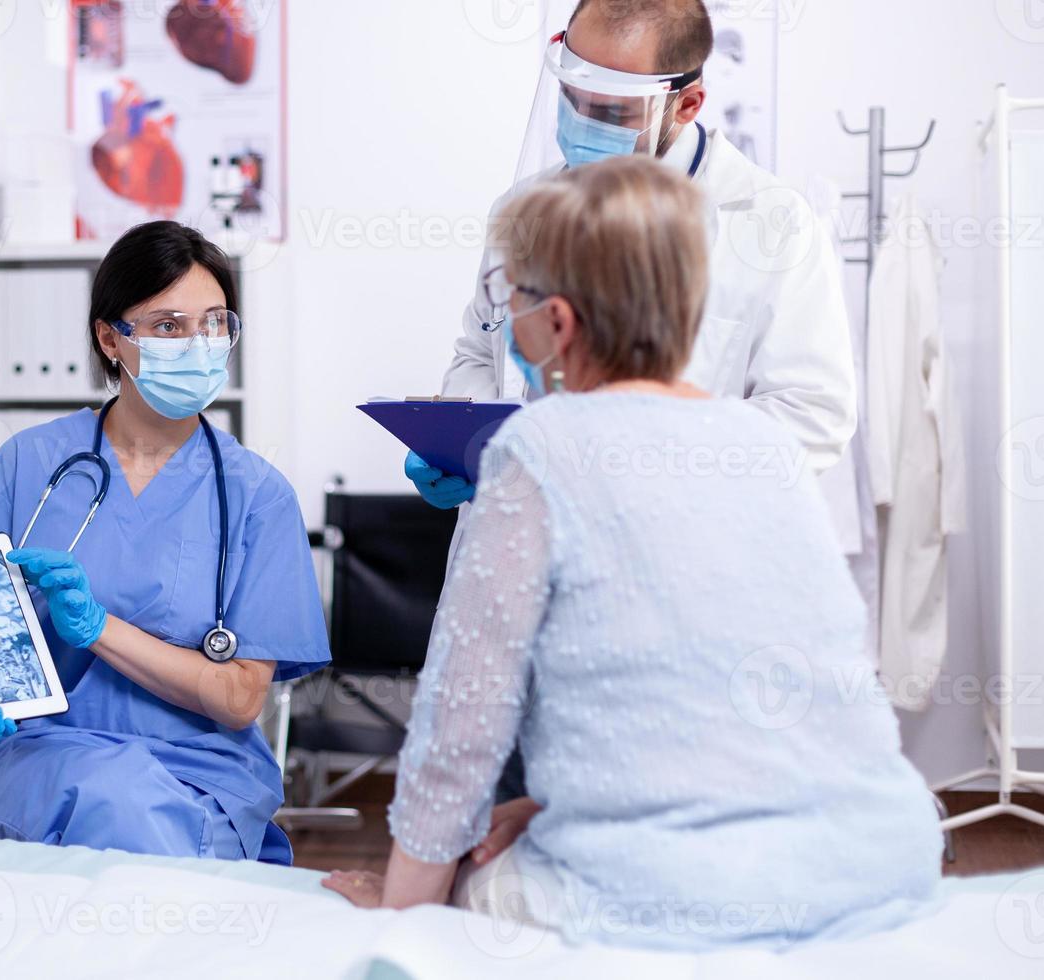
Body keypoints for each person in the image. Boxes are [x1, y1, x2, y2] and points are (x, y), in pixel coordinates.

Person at [324, 157, 941, 948]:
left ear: (559, 324)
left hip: (678, 898)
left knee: (481, 886)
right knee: (518, 834)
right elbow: (728, 708)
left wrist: (406, 914)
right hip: (876, 863)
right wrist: (553, 808)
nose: (501, 316)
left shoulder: (536, 451)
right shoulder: (766, 447)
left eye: (509, 296)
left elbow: (459, 735)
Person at [0, 220, 330, 864]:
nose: (198, 343)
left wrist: (98, 628)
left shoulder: (256, 494)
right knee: (120, 804)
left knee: (133, 811)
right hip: (39, 752)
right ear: (111, 339)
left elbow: (242, 698)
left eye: (215, 322)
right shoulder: (27, 466)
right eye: (168, 326)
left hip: (203, 770)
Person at [407, 0, 855, 511]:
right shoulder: (522, 208)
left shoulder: (773, 224)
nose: (580, 121)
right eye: (571, 97)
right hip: (518, 527)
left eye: (611, 112)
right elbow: (478, 352)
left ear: (687, 104)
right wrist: (464, 445)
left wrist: (645, 462)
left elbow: (812, 415)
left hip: (670, 537)